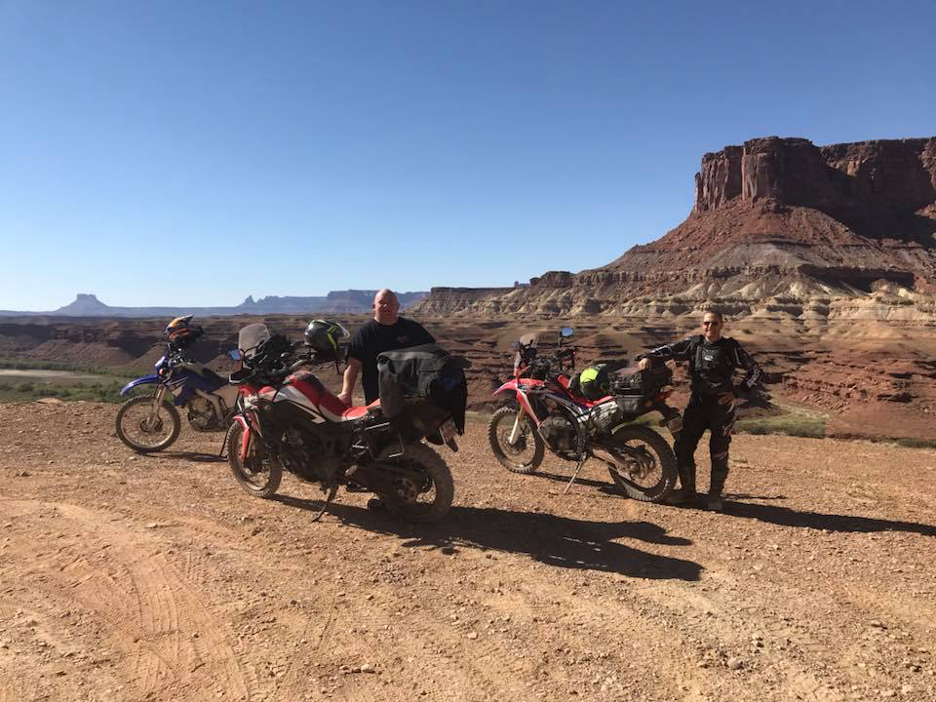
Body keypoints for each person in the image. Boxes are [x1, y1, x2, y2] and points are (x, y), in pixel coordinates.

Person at [636, 311, 763, 511]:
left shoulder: (730, 347)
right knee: (683, 447)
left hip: (721, 408)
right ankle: (688, 493)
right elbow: (668, 350)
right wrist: (648, 357)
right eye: (706, 323)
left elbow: (755, 370)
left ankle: (714, 496)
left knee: (719, 452)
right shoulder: (693, 343)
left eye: (714, 323)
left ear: (721, 325)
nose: (709, 327)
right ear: (701, 325)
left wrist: (737, 391)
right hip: (697, 405)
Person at [337, 289, 435, 406]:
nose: (386, 306)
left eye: (390, 302)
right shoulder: (364, 333)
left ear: (397, 306)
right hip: (378, 400)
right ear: (374, 306)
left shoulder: (413, 329)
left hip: (414, 398)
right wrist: (346, 393)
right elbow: (353, 365)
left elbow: (433, 354)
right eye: (381, 302)